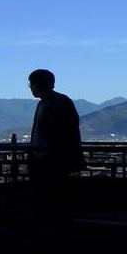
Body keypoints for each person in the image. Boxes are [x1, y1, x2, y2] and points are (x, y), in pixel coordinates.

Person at [27, 69, 85, 221]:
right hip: (46, 159)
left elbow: (61, 132)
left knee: (52, 198)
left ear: (36, 85)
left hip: (53, 161)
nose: (30, 88)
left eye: (31, 84)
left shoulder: (57, 103)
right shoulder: (48, 103)